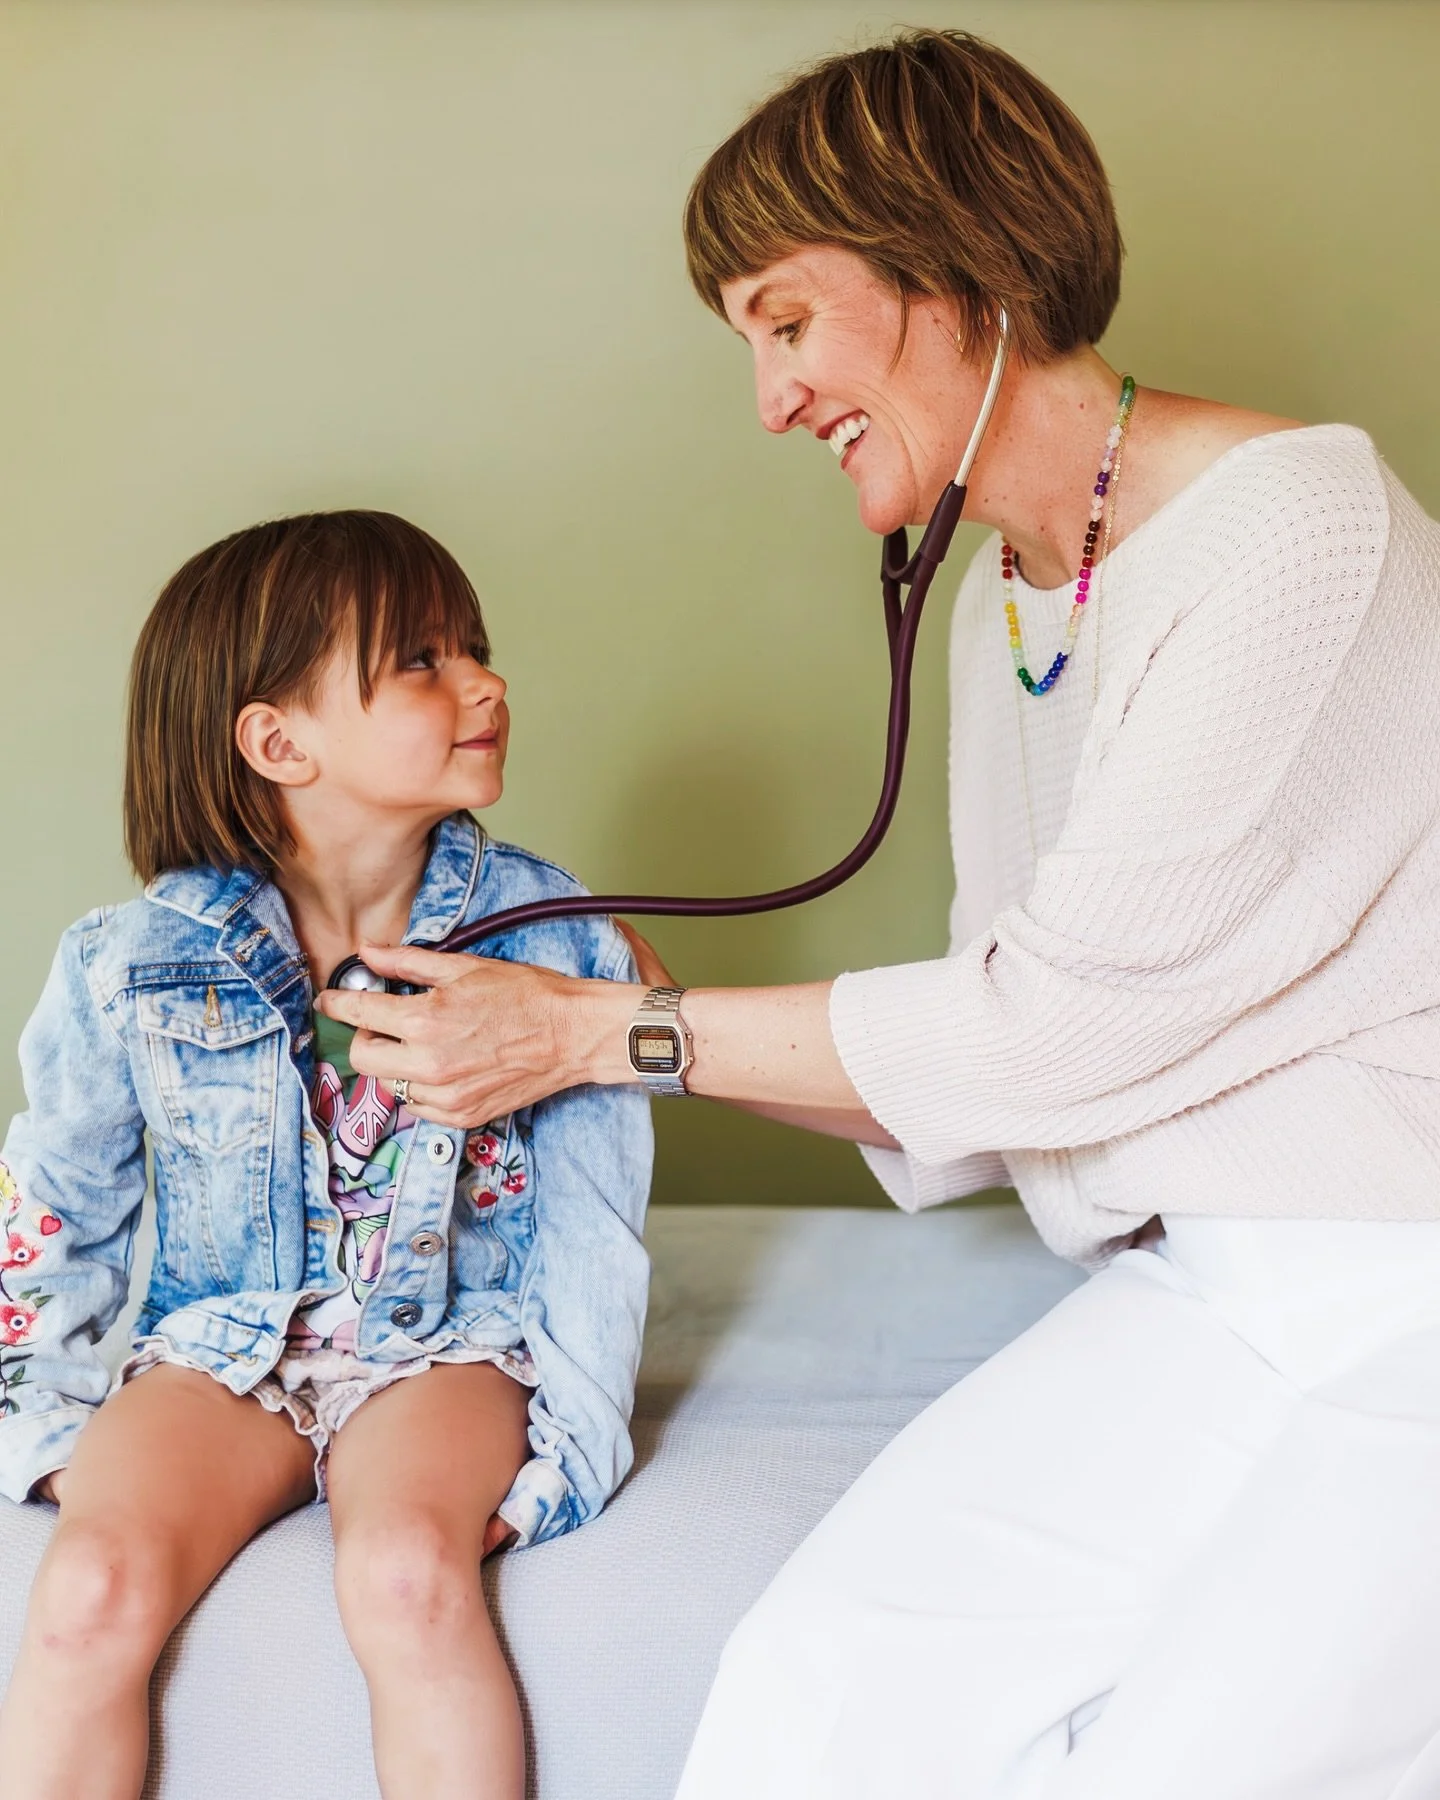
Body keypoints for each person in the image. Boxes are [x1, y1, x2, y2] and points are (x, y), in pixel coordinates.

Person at [316, 29, 1440, 1800]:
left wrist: (608, 1037)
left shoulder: (1295, 533)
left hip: (1399, 1294)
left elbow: (1044, 1035)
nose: (771, 401)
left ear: (958, 262)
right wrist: (634, 1017)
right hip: (1194, 1288)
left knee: (1182, 1764)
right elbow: (989, 1090)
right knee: (817, 1702)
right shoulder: (1011, 604)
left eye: (787, 322)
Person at [0, 511, 652, 1800]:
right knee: (88, 1586)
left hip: (442, 1343)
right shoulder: (127, 962)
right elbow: (55, 1204)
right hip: (221, 1346)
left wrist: (573, 1444)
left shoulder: (557, 940)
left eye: (476, 647)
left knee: (407, 1574)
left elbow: (595, 1220)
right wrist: (48, 1422)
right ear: (277, 742)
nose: (486, 683)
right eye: (422, 660)